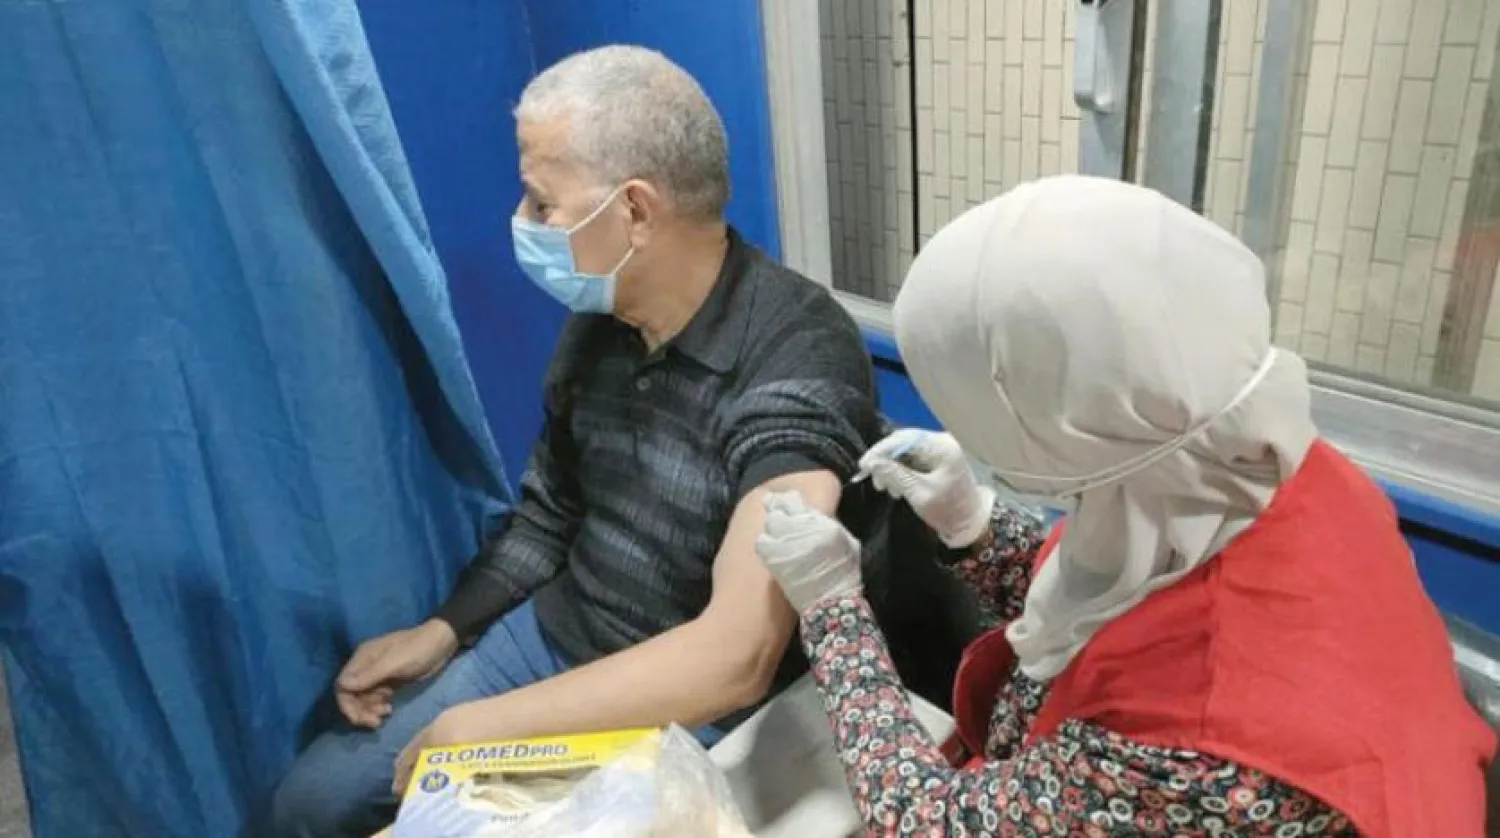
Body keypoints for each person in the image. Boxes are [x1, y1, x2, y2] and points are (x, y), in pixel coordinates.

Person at [755, 175, 1496, 836]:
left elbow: (924, 822)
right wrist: (974, 527)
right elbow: (1132, 610)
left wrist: (831, 607)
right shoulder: (1257, 466)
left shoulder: (1195, 752)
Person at [271, 45, 886, 836]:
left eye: (541, 203)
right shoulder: (601, 323)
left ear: (634, 211)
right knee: (309, 804)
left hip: (684, 706)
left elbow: (736, 655)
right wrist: (444, 629)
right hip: (552, 639)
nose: (522, 224)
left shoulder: (797, 351)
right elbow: (551, 514)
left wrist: (476, 730)